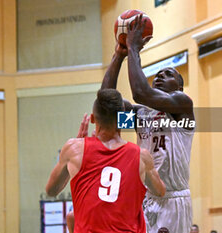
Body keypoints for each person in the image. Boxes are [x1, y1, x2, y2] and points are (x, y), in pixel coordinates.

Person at [45, 89, 166, 233]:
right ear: (122, 118)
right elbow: (160, 191)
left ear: (93, 119)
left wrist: (73, 159)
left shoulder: (74, 149)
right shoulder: (142, 156)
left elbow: (51, 191)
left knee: (72, 217)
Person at [125, 15, 195, 233]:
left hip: (173, 200)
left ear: (179, 87)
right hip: (147, 197)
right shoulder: (140, 115)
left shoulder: (181, 106)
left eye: (169, 74)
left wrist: (133, 49)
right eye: (157, 74)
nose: (160, 76)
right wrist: (119, 55)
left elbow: (140, 93)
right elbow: (106, 102)